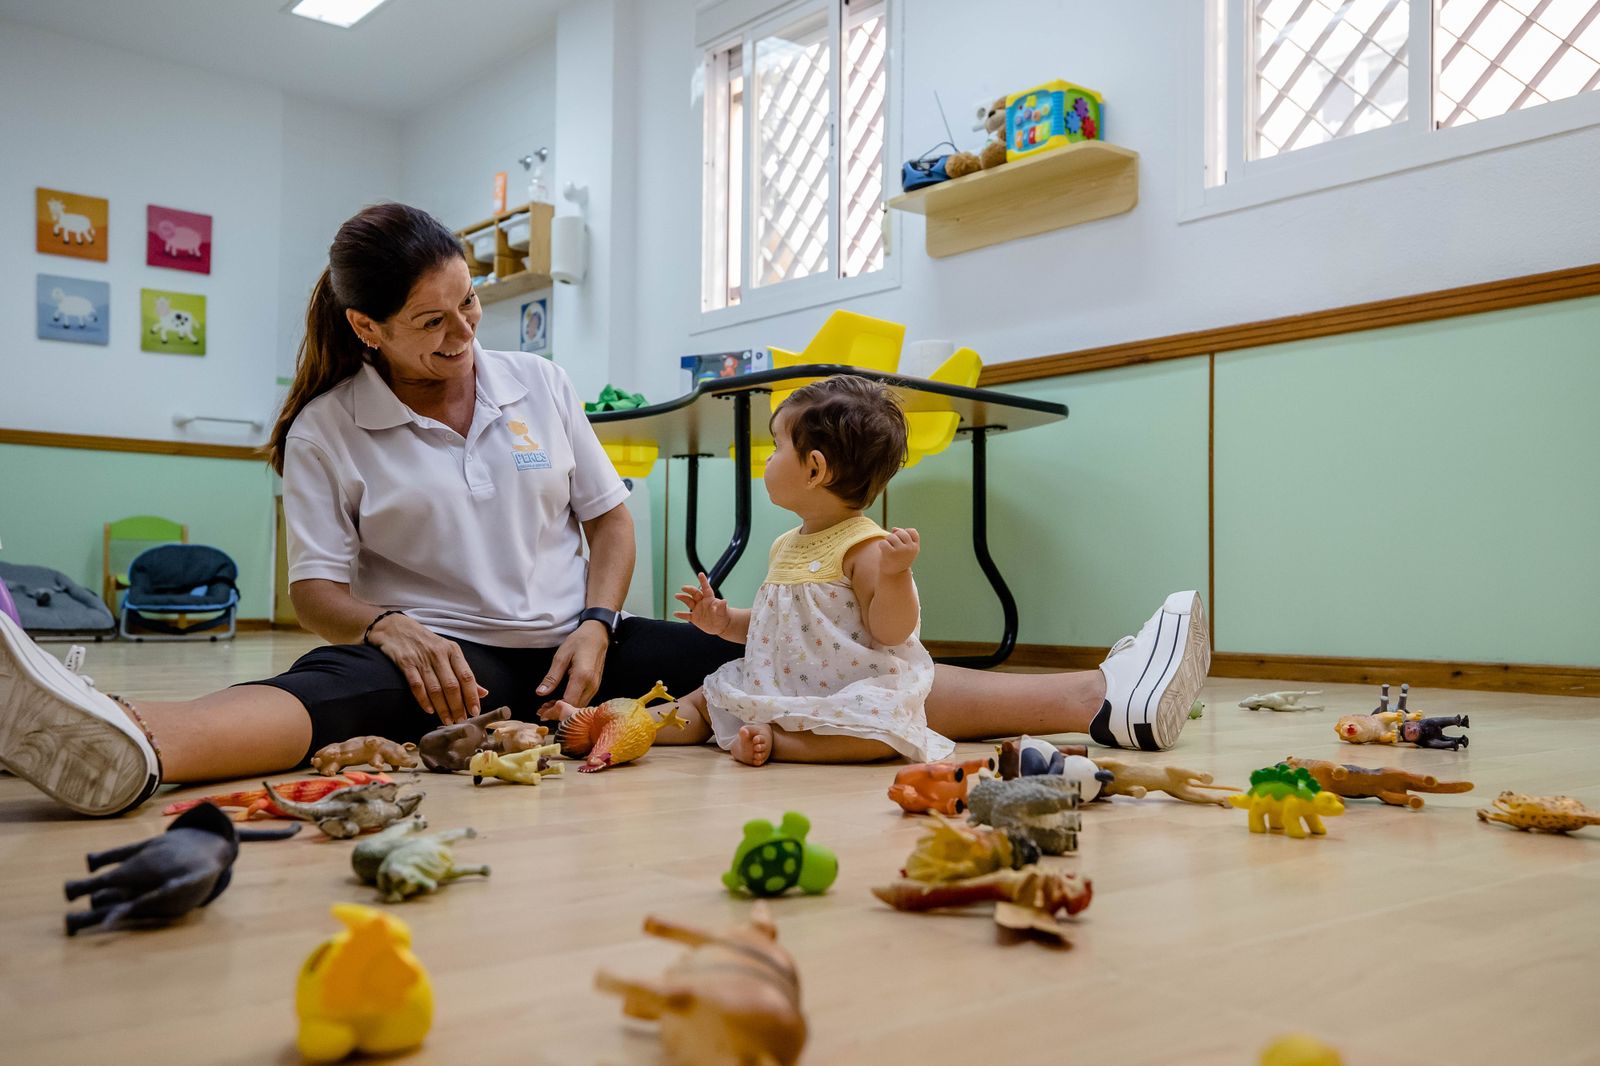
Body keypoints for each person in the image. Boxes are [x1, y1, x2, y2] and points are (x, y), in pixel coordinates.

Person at [0, 202, 1211, 819]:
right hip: (444, 661)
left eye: (468, 305)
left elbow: (611, 521)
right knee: (313, 703)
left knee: (807, 651)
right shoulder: (327, 426)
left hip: (581, 644)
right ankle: (126, 739)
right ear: (366, 328)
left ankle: (1103, 699)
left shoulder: (537, 382)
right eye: (431, 322)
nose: (465, 335)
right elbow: (316, 581)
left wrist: (595, 618)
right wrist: (386, 628)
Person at [661, 376, 946, 767]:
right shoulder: (785, 544)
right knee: (705, 698)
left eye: (777, 446)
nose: (768, 457)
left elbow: (890, 632)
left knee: (883, 734)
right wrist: (725, 622)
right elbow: (778, 627)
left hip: (844, 695)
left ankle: (778, 743)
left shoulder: (865, 548)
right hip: (780, 685)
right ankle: (616, 723)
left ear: (814, 470)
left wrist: (896, 576)